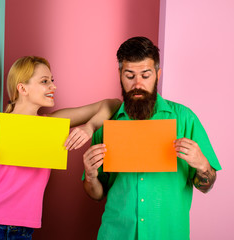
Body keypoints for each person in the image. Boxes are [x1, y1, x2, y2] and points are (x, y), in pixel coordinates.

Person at [0, 56, 121, 240]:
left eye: (52, 81)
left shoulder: (53, 126)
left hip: (22, 232)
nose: (53, 87)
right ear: (22, 88)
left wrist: (90, 127)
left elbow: (113, 104)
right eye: (45, 81)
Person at [82, 37, 221, 240]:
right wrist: (91, 175)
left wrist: (202, 164)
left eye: (145, 75)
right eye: (130, 75)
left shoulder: (184, 119)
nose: (138, 83)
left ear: (157, 74)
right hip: (116, 233)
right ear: (120, 75)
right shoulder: (106, 123)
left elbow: (206, 185)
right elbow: (96, 194)